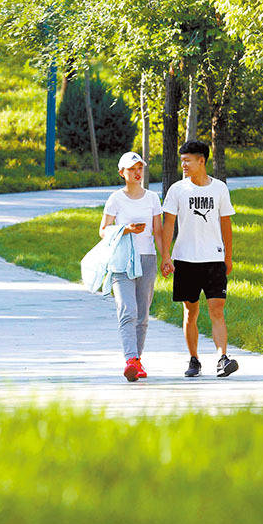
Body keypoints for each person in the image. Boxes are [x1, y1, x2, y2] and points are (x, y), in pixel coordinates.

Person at [160, 140, 239, 378]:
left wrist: (228, 256)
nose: (183, 164)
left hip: (213, 259)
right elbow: (168, 225)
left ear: (201, 160)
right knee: (190, 313)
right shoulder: (177, 190)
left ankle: (222, 358)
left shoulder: (219, 189)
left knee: (217, 310)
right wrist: (166, 256)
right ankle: (194, 359)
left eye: (187, 160)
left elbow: (226, 223)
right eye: (181, 160)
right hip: (185, 259)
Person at [99, 152, 164, 382]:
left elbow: (158, 231)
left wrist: (165, 257)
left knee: (143, 314)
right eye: (132, 169)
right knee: (128, 309)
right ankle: (130, 359)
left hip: (147, 258)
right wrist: (125, 229)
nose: (137, 173)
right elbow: (103, 230)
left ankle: (137, 361)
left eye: (140, 168)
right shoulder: (115, 198)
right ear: (122, 173)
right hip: (122, 260)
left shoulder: (153, 198)